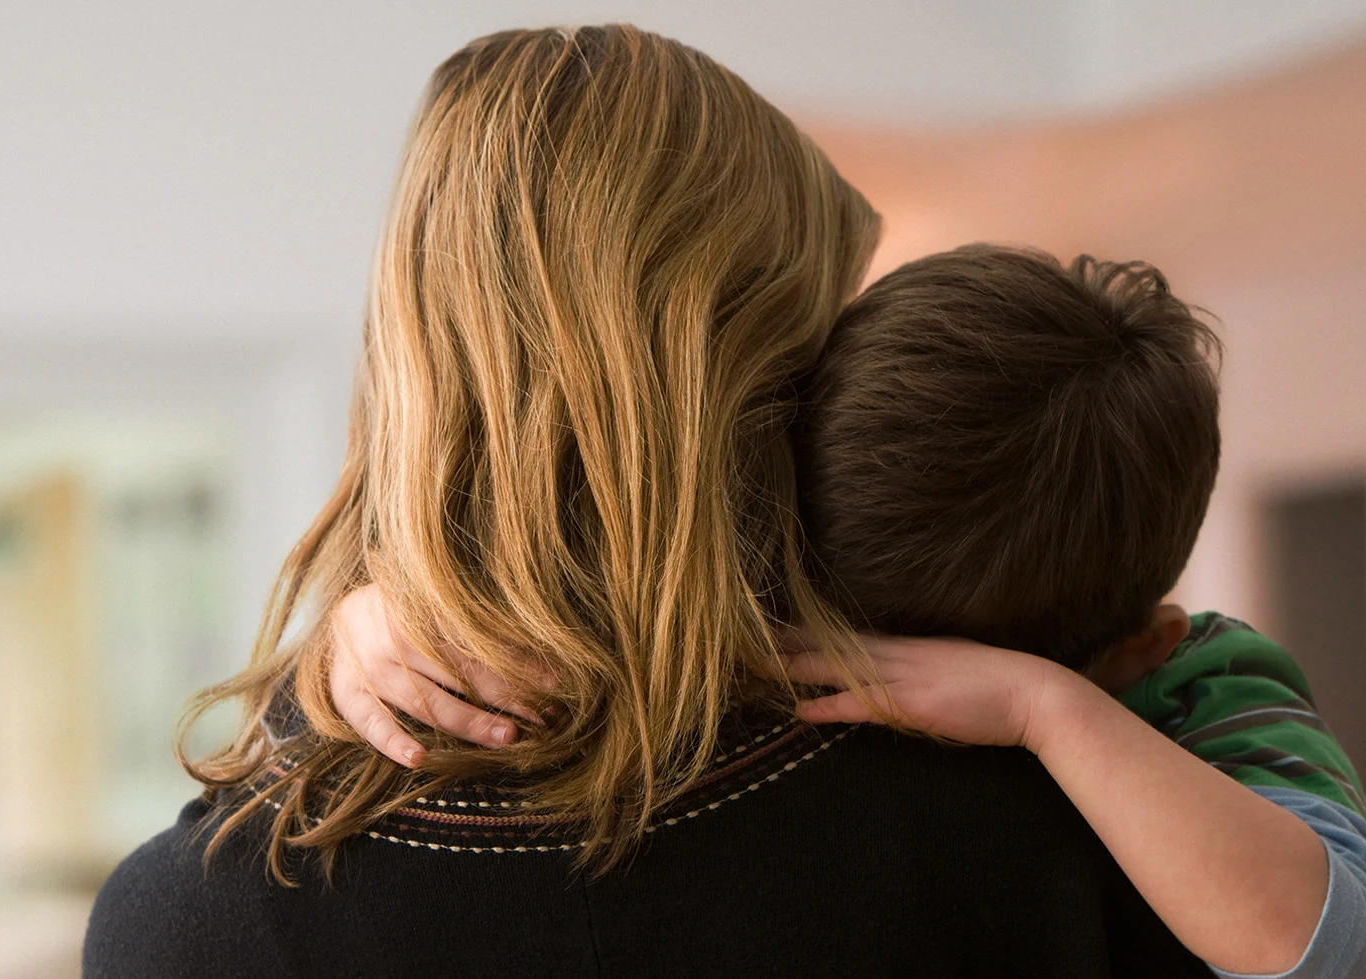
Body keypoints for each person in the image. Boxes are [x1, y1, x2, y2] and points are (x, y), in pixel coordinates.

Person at [83, 27, 1208, 978]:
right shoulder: (1059, 817)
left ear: (410, 363)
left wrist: (332, 673)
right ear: (757, 393)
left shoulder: (193, 920)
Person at [332, 246, 1366, 978]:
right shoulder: (786, 572)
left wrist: (1044, 708)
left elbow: (1333, 944)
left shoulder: (1203, 684)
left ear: (1138, 647)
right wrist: (383, 619)